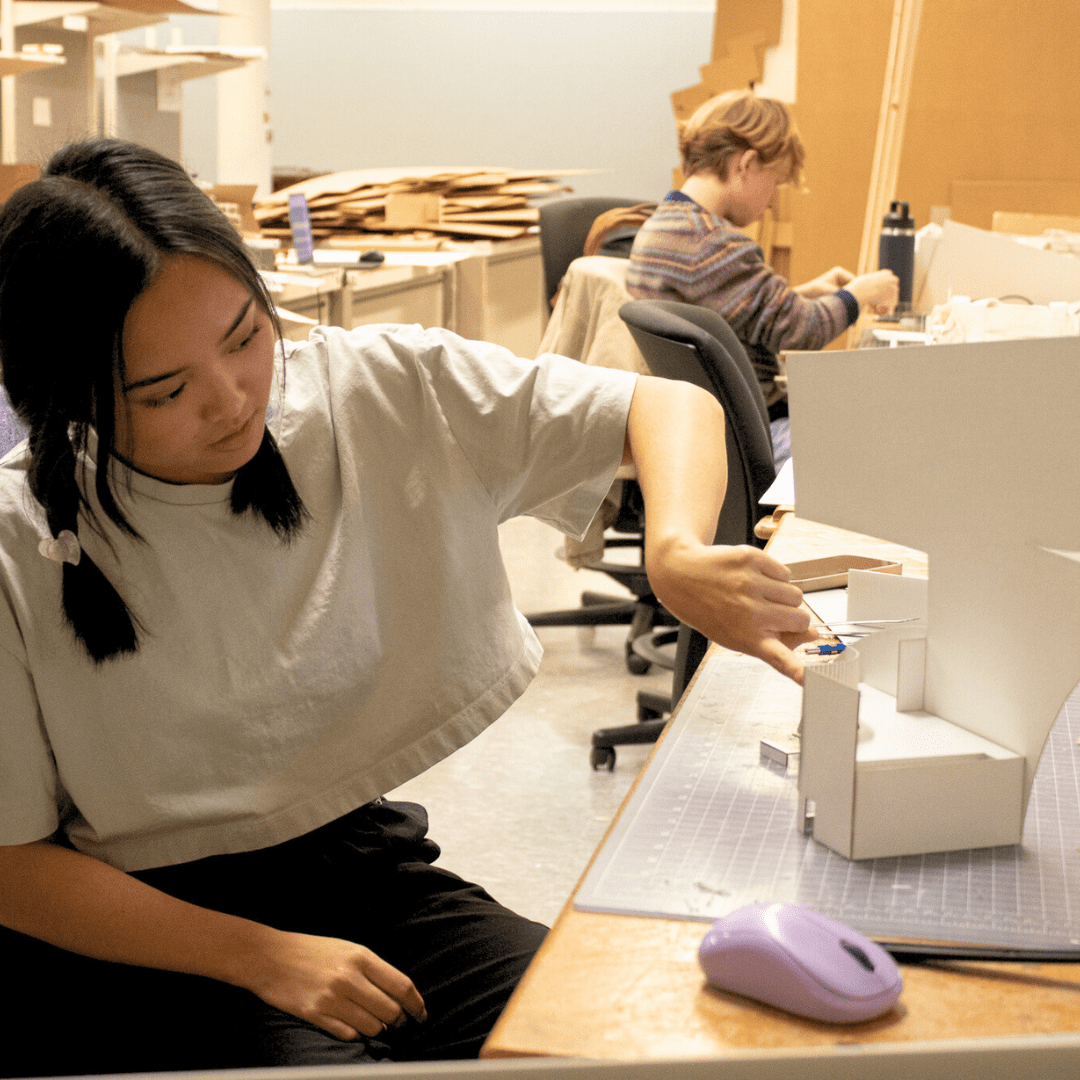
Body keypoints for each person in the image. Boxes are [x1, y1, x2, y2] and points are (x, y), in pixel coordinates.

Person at [0, 139, 817, 1077]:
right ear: (69, 396)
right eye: (165, 391)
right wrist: (259, 954)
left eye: (244, 337)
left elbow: (667, 405)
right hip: (151, 928)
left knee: (601, 1037)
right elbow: (13, 867)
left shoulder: (361, 392)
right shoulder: (17, 546)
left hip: (357, 869)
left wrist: (673, 551)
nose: (231, 403)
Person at [626, 89, 899, 464]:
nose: (772, 200)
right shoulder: (715, 245)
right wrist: (860, 293)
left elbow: (721, 317)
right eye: (775, 182)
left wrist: (800, 292)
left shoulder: (663, 229)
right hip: (751, 436)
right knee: (888, 442)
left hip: (699, 430)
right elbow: (802, 331)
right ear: (747, 164)